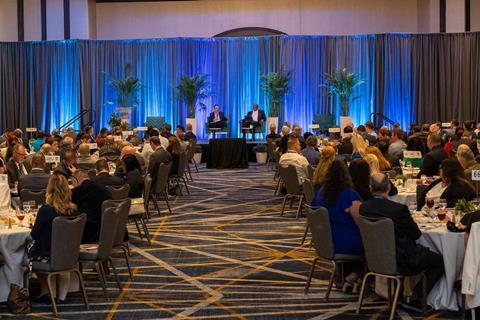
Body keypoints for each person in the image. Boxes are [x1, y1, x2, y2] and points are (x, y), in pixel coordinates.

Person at [360, 173, 445, 304]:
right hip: (403, 261)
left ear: (370, 188)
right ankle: (415, 296)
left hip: (373, 258)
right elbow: (416, 234)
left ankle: (401, 295)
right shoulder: (398, 210)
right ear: (388, 187)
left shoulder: (363, 208)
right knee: (440, 261)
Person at [311, 160, 363, 287]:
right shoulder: (350, 195)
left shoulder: (320, 193)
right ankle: (355, 274)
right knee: (373, 243)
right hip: (345, 243)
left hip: (324, 241)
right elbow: (361, 221)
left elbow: (312, 210)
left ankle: (343, 273)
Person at [30, 174, 77, 303]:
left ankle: (47, 292)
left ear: (49, 189)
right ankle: (61, 297)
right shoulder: (74, 211)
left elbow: (34, 235)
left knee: (27, 254)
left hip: (48, 258)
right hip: (70, 256)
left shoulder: (45, 210)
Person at [71, 170, 112, 244]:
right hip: (107, 230)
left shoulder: (76, 192)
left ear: (75, 179)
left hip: (87, 233)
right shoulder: (105, 189)